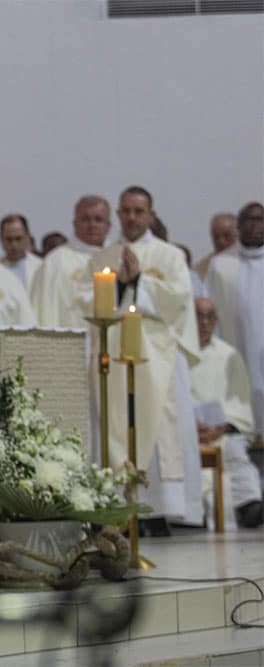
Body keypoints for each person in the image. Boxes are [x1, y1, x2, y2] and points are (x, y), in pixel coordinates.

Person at [82, 186, 201, 529]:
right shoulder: (102, 258)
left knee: (161, 425)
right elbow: (83, 302)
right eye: (126, 211)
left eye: (139, 211)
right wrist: (119, 286)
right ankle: (117, 509)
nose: (132, 218)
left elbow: (179, 300)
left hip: (158, 358)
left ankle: (157, 511)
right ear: (118, 214)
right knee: (115, 423)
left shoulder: (169, 255)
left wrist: (140, 282)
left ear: (151, 215)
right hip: (113, 356)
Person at [189, 297, 262, 528]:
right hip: (188, 435)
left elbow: (240, 407)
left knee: (235, 453)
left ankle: (250, 507)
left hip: (222, 433)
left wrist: (220, 427)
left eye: (210, 317)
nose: (204, 323)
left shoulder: (229, 355)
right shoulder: (177, 354)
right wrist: (191, 427)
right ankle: (194, 514)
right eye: (198, 316)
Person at [203, 202, 264, 441]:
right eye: (247, 221)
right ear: (238, 227)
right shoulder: (221, 265)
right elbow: (209, 312)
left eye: (259, 220)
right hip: (235, 354)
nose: (253, 226)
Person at [30, 195, 112, 329]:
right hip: (70, 343)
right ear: (75, 224)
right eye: (85, 219)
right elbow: (42, 310)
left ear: (108, 226)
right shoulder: (56, 262)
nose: (92, 225)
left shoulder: (119, 258)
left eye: (98, 220)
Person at [0, 213, 42, 290]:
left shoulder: (40, 267)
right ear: (1, 239)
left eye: (18, 239)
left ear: (28, 237)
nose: (14, 245)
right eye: (9, 240)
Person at [194, 212, 238, 279]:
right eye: (216, 237)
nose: (221, 241)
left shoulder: (251, 261)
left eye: (227, 236)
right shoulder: (203, 268)